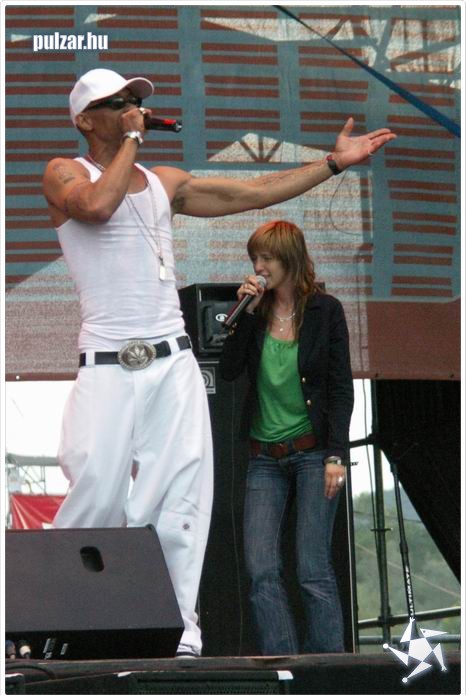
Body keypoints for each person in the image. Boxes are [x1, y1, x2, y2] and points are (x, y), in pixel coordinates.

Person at [42, 67, 395, 658]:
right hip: (106, 363)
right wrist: (133, 138)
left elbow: (252, 193)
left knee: (179, 497)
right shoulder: (64, 172)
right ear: (84, 119)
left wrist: (333, 164)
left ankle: (178, 630)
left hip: (172, 360)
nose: (132, 107)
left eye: (135, 101)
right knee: (95, 492)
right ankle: (66, 626)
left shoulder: (165, 183)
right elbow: (97, 207)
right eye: (118, 102)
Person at [219, 220, 353, 655]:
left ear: (289, 259)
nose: (259, 267)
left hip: (314, 453)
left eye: (267, 258)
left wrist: (336, 455)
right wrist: (244, 316)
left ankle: (327, 671)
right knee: (261, 569)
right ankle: (286, 663)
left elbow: (340, 388)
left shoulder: (326, 311)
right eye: (254, 258)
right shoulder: (254, 315)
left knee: (313, 568)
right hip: (264, 456)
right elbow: (229, 371)